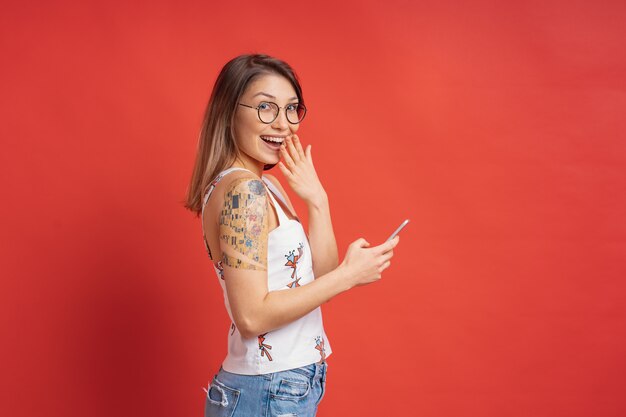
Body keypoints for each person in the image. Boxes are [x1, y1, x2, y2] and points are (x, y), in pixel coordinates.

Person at [184, 53, 400, 417]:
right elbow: (251, 316)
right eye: (265, 107)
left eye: (291, 109)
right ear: (229, 111)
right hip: (268, 389)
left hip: (286, 384)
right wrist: (350, 276)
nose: (283, 124)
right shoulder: (244, 193)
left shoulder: (265, 186)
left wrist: (318, 200)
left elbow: (321, 280)